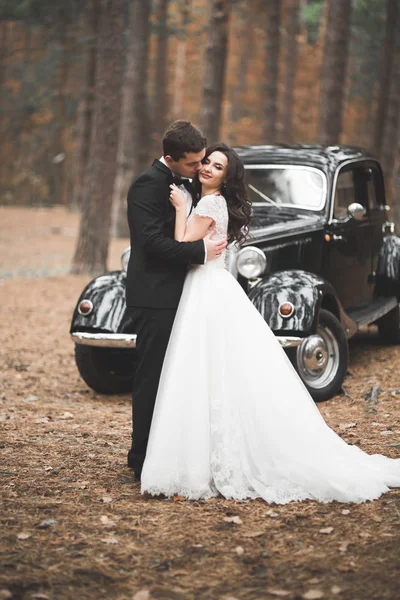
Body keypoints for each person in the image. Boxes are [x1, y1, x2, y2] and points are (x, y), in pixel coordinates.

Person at [140, 142, 400, 504]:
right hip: (210, 285)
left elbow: (184, 241)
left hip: (205, 287)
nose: (207, 169)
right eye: (207, 163)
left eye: (217, 167)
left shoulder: (209, 203)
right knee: (213, 368)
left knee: (204, 366)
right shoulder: (213, 202)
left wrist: (183, 208)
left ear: (226, 178)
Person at [125, 121, 228, 481]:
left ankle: (173, 451)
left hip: (184, 295)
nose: (200, 169)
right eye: (193, 163)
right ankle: (142, 459)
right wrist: (200, 250)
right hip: (154, 296)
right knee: (152, 377)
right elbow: (151, 243)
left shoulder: (192, 186)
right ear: (170, 158)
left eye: (205, 161)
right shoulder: (146, 185)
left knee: (179, 378)